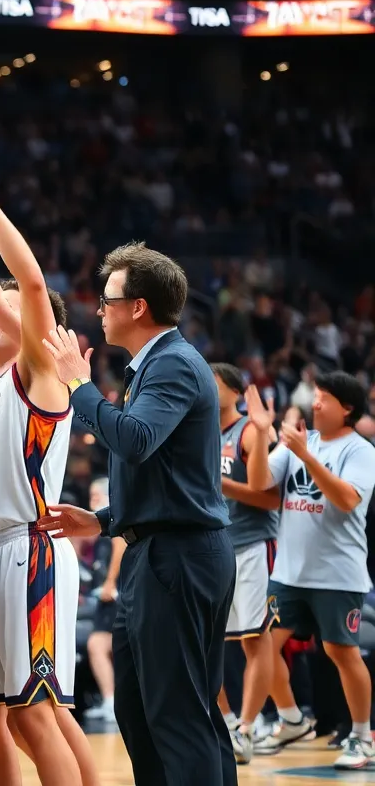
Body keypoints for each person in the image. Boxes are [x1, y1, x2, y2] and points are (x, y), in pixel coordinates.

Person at [37, 242, 237, 786]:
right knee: (142, 711)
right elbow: (166, 471)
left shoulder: (172, 363)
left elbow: (137, 440)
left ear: (138, 307)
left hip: (179, 556)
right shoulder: (154, 364)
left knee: (178, 716)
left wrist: (78, 383)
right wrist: (102, 521)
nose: (98, 310)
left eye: (107, 300)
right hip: (158, 551)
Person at [0, 128, 93, 786]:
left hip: (26, 550)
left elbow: (26, 287)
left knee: (37, 713)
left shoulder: (38, 374)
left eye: (3, 309)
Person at [245, 371, 375, 769]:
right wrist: (262, 435)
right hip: (289, 573)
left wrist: (305, 456)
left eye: (323, 398)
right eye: (315, 396)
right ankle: (287, 719)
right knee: (264, 641)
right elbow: (260, 484)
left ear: (347, 408)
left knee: (341, 651)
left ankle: (361, 735)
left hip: (338, 574)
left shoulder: (360, 451)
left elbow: (347, 499)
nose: (314, 403)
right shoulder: (305, 442)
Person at [209, 364, 280, 764]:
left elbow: (266, 496)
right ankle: (225, 721)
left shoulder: (249, 431)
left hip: (252, 544)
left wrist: (217, 483)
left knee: (255, 639)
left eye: (213, 381)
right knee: (206, 644)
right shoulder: (198, 430)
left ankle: (248, 729)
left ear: (234, 391)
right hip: (212, 546)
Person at [82, 478, 124, 725]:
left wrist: (110, 583)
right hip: (104, 598)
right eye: (92, 495)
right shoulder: (100, 525)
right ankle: (111, 702)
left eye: (97, 495)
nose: (93, 499)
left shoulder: (114, 520)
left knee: (98, 646)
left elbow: (119, 544)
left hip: (115, 595)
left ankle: (113, 702)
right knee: (101, 647)